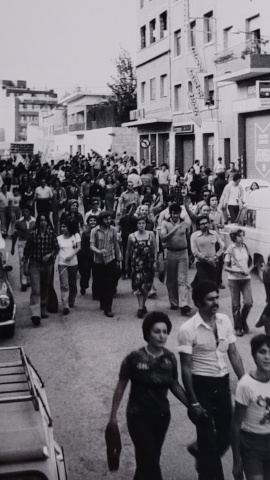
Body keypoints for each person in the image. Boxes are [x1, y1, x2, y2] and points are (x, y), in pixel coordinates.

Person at [109, 311, 190, 480]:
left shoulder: (169, 358)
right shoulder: (134, 358)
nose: (162, 336)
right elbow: (120, 387)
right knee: (150, 461)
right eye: (157, 331)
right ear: (147, 333)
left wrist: (191, 405)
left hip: (161, 416)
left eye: (165, 332)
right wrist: (113, 417)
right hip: (138, 416)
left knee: (148, 460)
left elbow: (174, 384)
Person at [178, 280, 245, 480]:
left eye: (217, 297)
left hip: (222, 384)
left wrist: (244, 382)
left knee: (226, 435)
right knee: (208, 441)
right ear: (198, 303)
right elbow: (186, 368)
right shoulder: (187, 329)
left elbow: (233, 354)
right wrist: (193, 402)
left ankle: (202, 453)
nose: (215, 302)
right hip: (201, 386)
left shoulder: (224, 320)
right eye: (210, 299)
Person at [231, 334, 270, 480]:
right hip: (251, 444)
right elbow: (235, 424)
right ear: (254, 355)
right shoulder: (246, 385)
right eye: (262, 352)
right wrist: (236, 460)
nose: (267, 357)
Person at [23, 214, 59, 326]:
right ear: (38, 222)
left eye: (45, 220)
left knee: (44, 287)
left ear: (48, 222)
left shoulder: (51, 234)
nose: (43, 222)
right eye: (41, 220)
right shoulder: (33, 235)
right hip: (35, 264)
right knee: (36, 289)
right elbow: (26, 251)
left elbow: (56, 248)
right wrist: (25, 265)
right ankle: (35, 314)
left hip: (47, 265)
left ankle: (43, 310)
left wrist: (50, 255)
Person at [160, 203, 191, 314]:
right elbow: (163, 239)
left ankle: (184, 304)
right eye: (173, 213)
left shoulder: (185, 223)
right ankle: (174, 302)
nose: (175, 216)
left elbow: (187, 237)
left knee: (182, 279)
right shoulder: (165, 223)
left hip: (183, 252)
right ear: (170, 213)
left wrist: (190, 252)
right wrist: (174, 230)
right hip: (170, 253)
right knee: (171, 279)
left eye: (177, 213)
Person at [90, 211, 121, 317]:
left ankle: (108, 308)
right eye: (106, 219)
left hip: (110, 259)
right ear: (101, 219)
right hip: (98, 261)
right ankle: (103, 302)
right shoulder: (94, 230)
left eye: (109, 219)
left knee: (110, 284)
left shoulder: (113, 230)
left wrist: (118, 258)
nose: (108, 221)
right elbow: (91, 245)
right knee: (100, 284)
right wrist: (99, 251)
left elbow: (116, 244)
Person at [125, 217, 157, 318]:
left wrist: (155, 261)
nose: (141, 225)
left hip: (148, 264)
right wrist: (126, 264)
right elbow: (128, 251)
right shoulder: (131, 236)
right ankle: (140, 307)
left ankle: (143, 304)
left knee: (146, 286)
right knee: (138, 285)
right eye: (139, 223)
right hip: (136, 264)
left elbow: (154, 248)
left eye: (143, 223)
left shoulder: (151, 234)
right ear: (136, 225)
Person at [224, 229, 253, 336]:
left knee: (248, 303)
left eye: (243, 236)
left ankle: (242, 321)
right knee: (236, 305)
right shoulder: (230, 249)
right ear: (234, 237)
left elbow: (251, 263)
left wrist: (248, 270)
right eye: (240, 236)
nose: (242, 238)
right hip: (234, 280)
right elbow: (225, 267)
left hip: (246, 279)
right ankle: (238, 327)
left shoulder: (246, 247)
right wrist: (238, 271)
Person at [191, 215, 223, 285]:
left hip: (214, 262)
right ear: (198, 226)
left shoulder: (214, 233)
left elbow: (221, 247)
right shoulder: (194, 235)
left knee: (213, 283)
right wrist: (207, 260)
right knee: (204, 283)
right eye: (202, 224)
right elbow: (195, 252)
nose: (205, 225)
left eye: (206, 223)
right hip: (201, 263)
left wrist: (215, 257)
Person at [57, 219, 81, 315]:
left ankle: (72, 299)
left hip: (73, 263)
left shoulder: (76, 236)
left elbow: (79, 247)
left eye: (64, 227)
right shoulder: (59, 238)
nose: (62, 228)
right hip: (62, 263)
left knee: (72, 283)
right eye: (61, 227)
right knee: (64, 284)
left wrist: (71, 256)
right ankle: (65, 305)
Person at [11, 205, 36, 291]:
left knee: (31, 261)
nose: (25, 213)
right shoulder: (19, 222)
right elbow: (15, 235)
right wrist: (12, 247)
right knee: (22, 261)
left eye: (27, 212)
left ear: (30, 212)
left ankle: (29, 278)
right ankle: (23, 280)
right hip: (22, 243)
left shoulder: (34, 221)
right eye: (24, 211)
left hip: (32, 244)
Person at [78, 215, 98, 297]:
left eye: (94, 220)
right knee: (85, 274)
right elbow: (82, 246)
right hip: (87, 256)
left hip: (96, 256)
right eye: (91, 220)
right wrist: (82, 258)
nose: (92, 222)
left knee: (96, 275)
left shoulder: (98, 232)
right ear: (88, 222)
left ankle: (95, 292)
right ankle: (83, 287)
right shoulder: (85, 234)